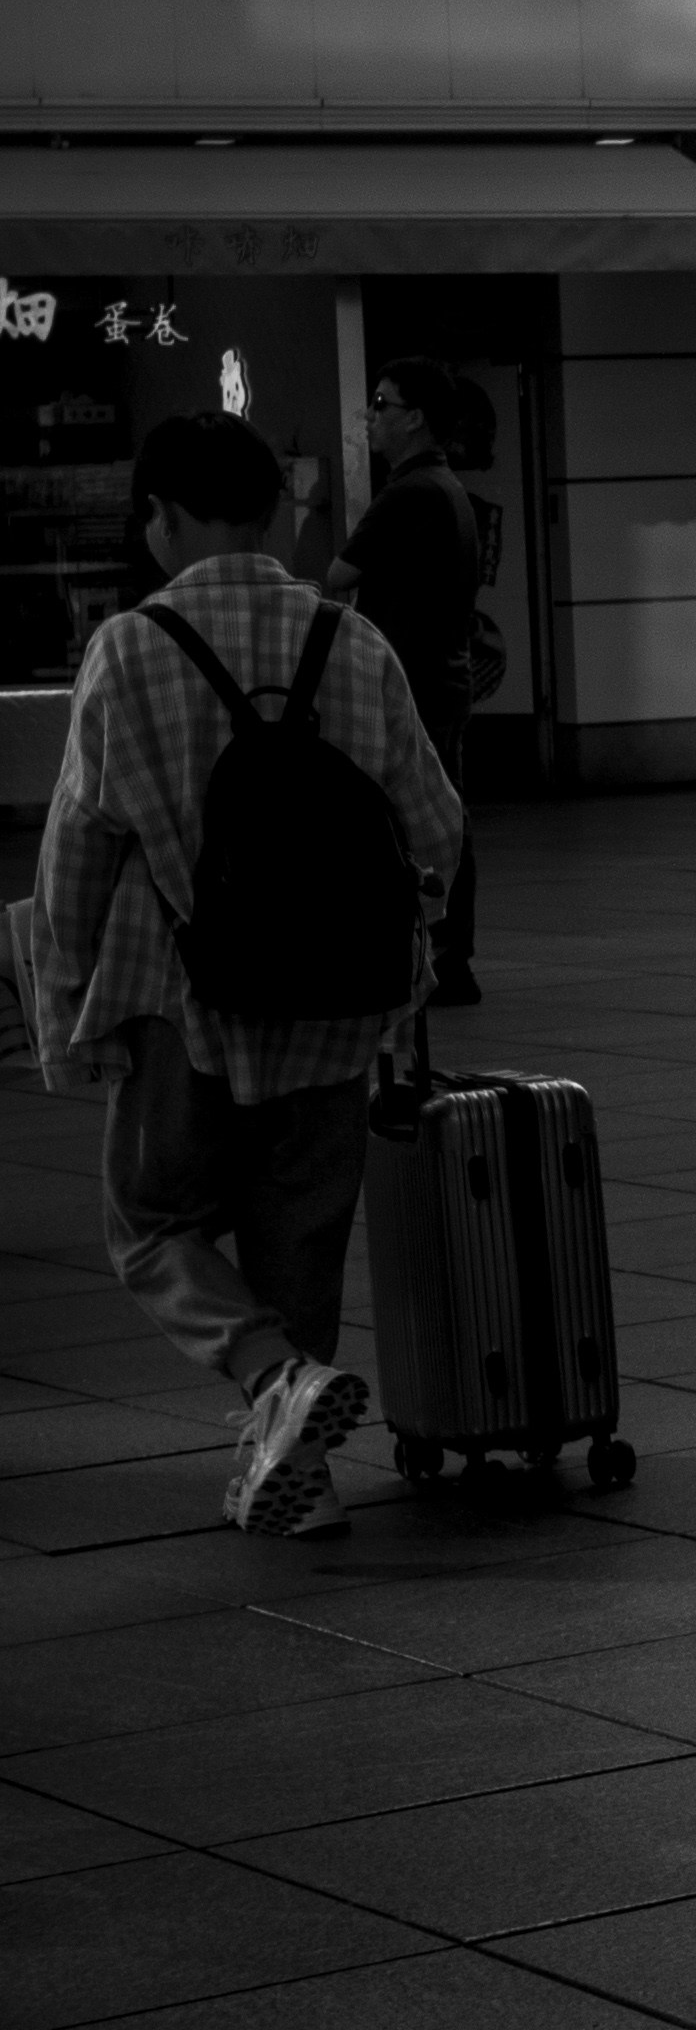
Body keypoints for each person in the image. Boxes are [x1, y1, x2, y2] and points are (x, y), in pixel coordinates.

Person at [23, 410, 461, 1537]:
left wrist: (66, 1004)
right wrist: (407, 966)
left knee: (152, 1223)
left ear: (159, 518)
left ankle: (276, 1382)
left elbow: (80, 843)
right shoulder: (350, 641)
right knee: (298, 1233)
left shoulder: (128, 646)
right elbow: (435, 824)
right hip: (337, 998)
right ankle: (296, 1479)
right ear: (277, 512)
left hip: (186, 995)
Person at [343, 354, 487, 1002]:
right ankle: (450, 955)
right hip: (441, 675)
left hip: (413, 680)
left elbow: (336, 576)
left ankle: (445, 958)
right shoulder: (445, 487)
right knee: (443, 814)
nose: (370, 416)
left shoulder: (409, 493)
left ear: (416, 418)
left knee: (421, 816)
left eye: (381, 403)